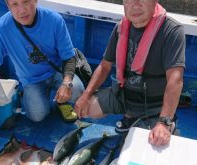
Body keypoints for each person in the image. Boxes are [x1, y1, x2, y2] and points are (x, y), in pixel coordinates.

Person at [75, 0, 185, 146]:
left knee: (155, 143)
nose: (135, 5)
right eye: (129, 0)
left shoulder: (172, 30)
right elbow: (104, 66)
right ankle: (129, 116)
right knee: (88, 109)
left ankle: (166, 122)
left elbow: (175, 79)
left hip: (154, 104)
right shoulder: (121, 27)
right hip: (124, 96)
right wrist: (86, 95)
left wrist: (164, 122)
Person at [0, 0, 84, 122]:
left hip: (57, 71)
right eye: (15, 4)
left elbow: (68, 56)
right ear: (8, 6)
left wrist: (66, 83)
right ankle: (28, 95)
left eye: (25, 1)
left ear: (35, 1)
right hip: (32, 80)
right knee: (37, 116)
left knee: (77, 90)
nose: (22, 10)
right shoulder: (0, 29)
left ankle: (61, 102)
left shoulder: (54, 20)